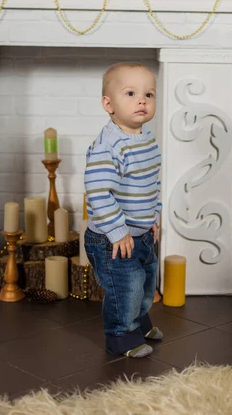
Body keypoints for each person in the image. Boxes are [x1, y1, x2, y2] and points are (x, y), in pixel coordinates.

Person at [84, 62, 163, 358]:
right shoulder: (109, 146)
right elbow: (99, 192)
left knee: (145, 282)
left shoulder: (147, 140)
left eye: (149, 94)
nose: (141, 100)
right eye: (130, 93)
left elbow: (150, 182)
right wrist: (117, 232)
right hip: (111, 239)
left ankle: (138, 324)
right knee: (125, 288)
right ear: (109, 104)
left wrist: (154, 215)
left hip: (140, 234)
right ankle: (120, 336)